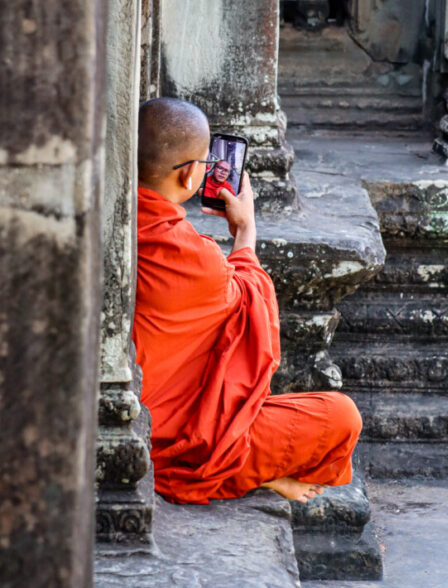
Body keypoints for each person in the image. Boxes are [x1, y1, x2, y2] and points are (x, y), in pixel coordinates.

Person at [134, 96, 362, 505]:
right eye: (206, 165)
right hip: (173, 439)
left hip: (118, 416)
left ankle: (245, 472)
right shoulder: (195, 258)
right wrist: (245, 231)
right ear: (190, 176)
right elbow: (252, 308)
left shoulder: (110, 217)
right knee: (341, 417)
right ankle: (241, 475)